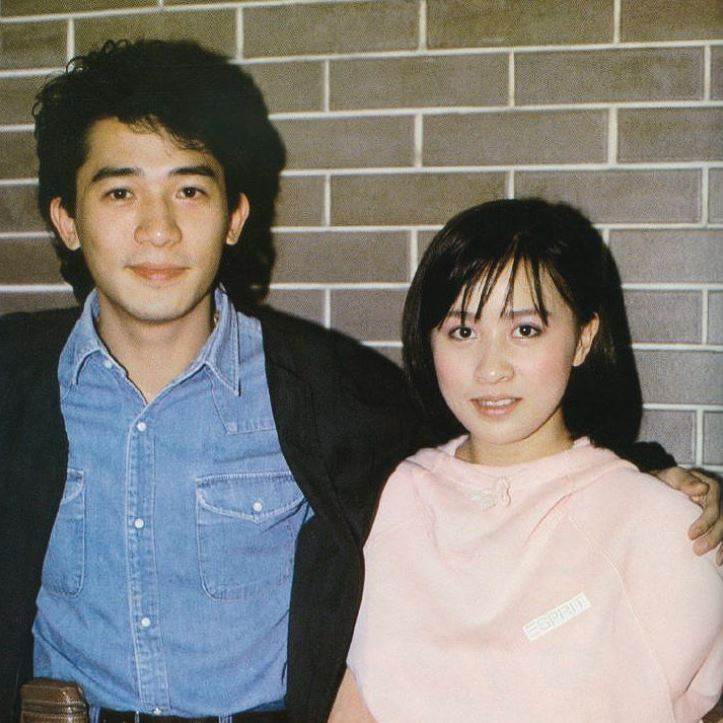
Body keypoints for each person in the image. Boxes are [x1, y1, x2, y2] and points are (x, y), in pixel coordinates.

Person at [0, 39, 719, 722]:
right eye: (119, 193)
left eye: (189, 189)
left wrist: (653, 483)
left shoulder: (327, 387)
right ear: (66, 219)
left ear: (234, 216)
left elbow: (490, 444)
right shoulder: (14, 380)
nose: (157, 229)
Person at [331, 199, 723, 722]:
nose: (491, 369)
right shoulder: (383, 502)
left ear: (583, 338)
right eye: (463, 332)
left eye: (525, 330)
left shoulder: (661, 524)